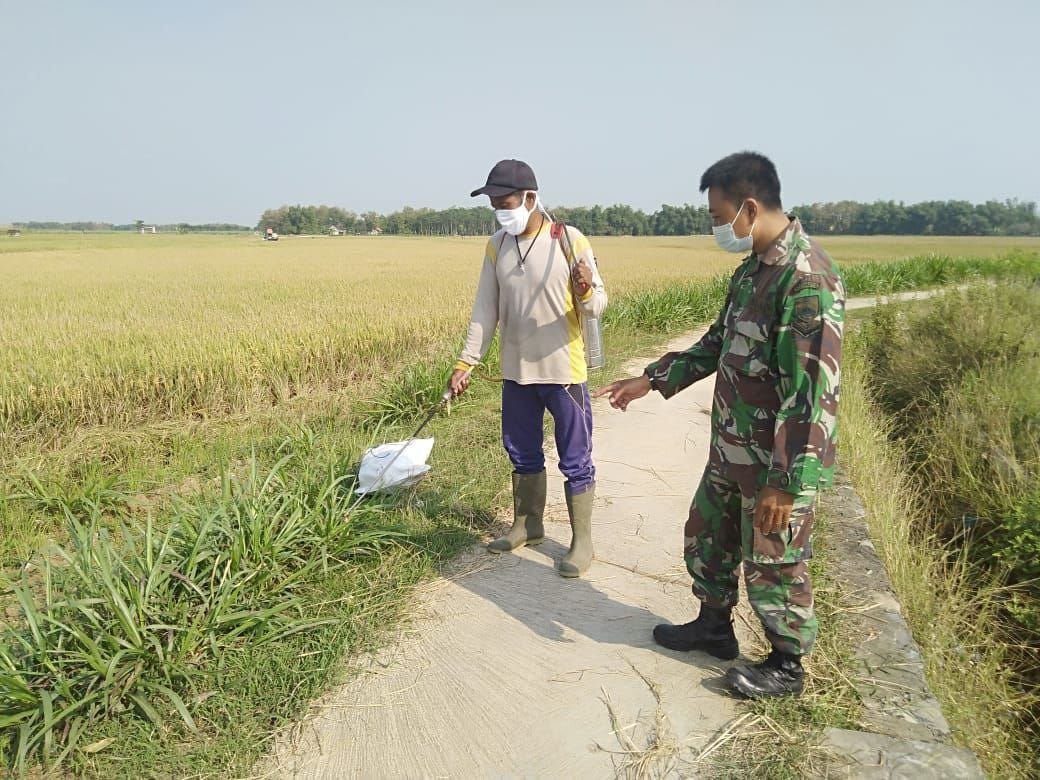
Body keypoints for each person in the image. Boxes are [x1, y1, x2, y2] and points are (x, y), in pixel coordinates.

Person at [595, 152, 845, 698]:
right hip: (731, 449)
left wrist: (785, 481)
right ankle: (714, 626)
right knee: (709, 534)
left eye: (717, 214)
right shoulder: (752, 271)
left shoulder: (806, 281)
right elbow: (718, 343)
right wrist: (653, 380)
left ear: (749, 207)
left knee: (774, 562)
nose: (714, 226)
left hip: (773, 466)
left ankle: (786, 665)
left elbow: (812, 394)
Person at [448, 159, 608, 578]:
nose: (501, 210)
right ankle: (527, 524)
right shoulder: (497, 245)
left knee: (576, 458)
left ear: (531, 198)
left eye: (506, 202)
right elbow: (485, 310)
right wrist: (467, 361)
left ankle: (582, 541)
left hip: (564, 372)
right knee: (521, 451)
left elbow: (597, 305)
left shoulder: (569, 240)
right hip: (515, 371)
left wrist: (586, 286)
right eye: (495, 204)